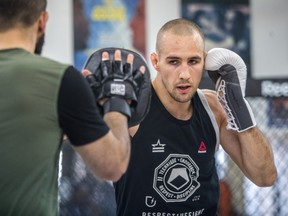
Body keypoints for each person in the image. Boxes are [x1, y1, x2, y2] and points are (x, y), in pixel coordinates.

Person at [114, 18, 277, 215]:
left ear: (204, 60)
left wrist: (238, 106)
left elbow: (265, 177)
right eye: (174, 61)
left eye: (193, 61)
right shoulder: (133, 107)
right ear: (156, 61)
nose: (185, 74)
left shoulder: (214, 109)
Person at [0, 0, 149, 215]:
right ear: (42, 21)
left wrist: (83, 115)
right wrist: (116, 98)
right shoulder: (58, 80)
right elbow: (112, 165)